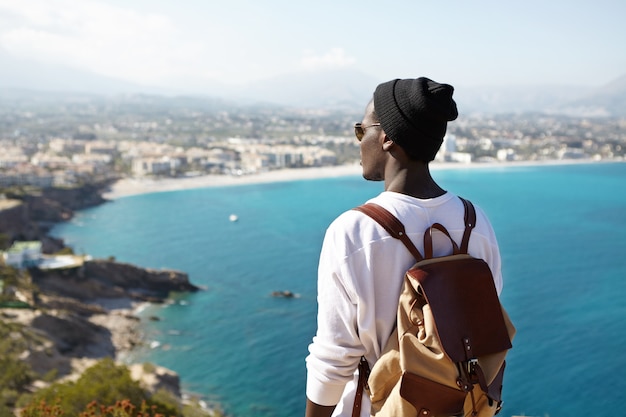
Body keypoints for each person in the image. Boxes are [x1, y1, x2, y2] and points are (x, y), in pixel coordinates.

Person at [304, 77, 504, 417]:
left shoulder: (353, 232)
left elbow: (333, 357)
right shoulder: (476, 222)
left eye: (360, 129)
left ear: (386, 136)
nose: (359, 141)